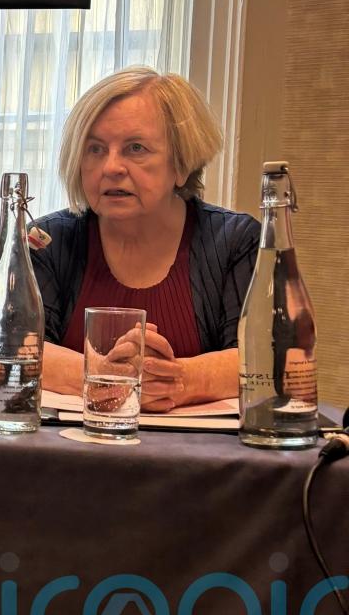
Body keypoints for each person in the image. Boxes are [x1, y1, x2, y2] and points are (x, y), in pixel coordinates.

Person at [31, 66, 260, 411]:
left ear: (181, 163)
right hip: (71, 441)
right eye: (95, 149)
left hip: (201, 444)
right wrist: (104, 374)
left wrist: (177, 380)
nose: (111, 167)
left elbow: (263, 359)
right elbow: (17, 347)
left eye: (135, 148)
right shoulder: (47, 241)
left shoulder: (235, 241)